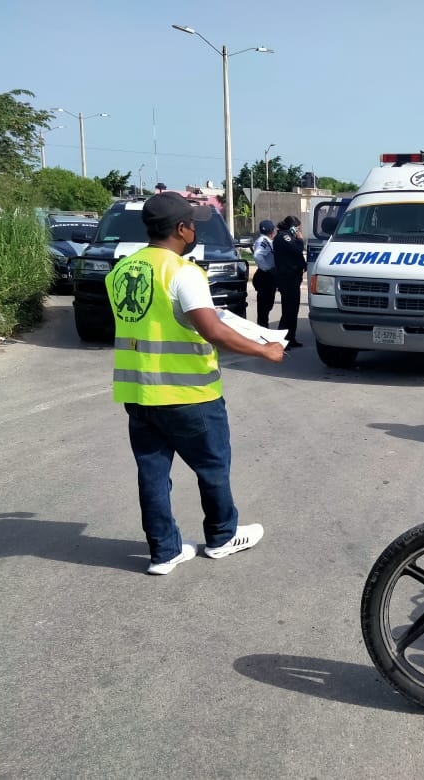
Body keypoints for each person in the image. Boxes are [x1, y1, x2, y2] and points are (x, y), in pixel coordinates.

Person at [104, 192, 285, 575]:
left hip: (138, 392)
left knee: (152, 472)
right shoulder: (182, 271)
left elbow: (155, 319)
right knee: (212, 467)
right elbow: (212, 330)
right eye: (193, 225)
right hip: (189, 394)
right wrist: (264, 350)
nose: (194, 231)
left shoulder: (122, 270)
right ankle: (222, 536)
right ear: (182, 229)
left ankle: (164, 551)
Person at [273, 215, 306, 349]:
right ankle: (282, 340)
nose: (298, 230)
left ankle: (291, 338)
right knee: (288, 311)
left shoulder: (289, 237)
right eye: (297, 227)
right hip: (287, 279)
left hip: (293, 278)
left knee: (294, 310)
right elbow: (297, 249)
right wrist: (300, 239)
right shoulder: (283, 237)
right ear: (291, 226)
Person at [252, 219, 277, 328]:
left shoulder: (266, 240)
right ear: (272, 231)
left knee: (267, 305)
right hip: (265, 276)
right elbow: (257, 255)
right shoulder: (263, 241)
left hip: (267, 275)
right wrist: (267, 268)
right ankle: (262, 329)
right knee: (264, 306)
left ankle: (263, 327)